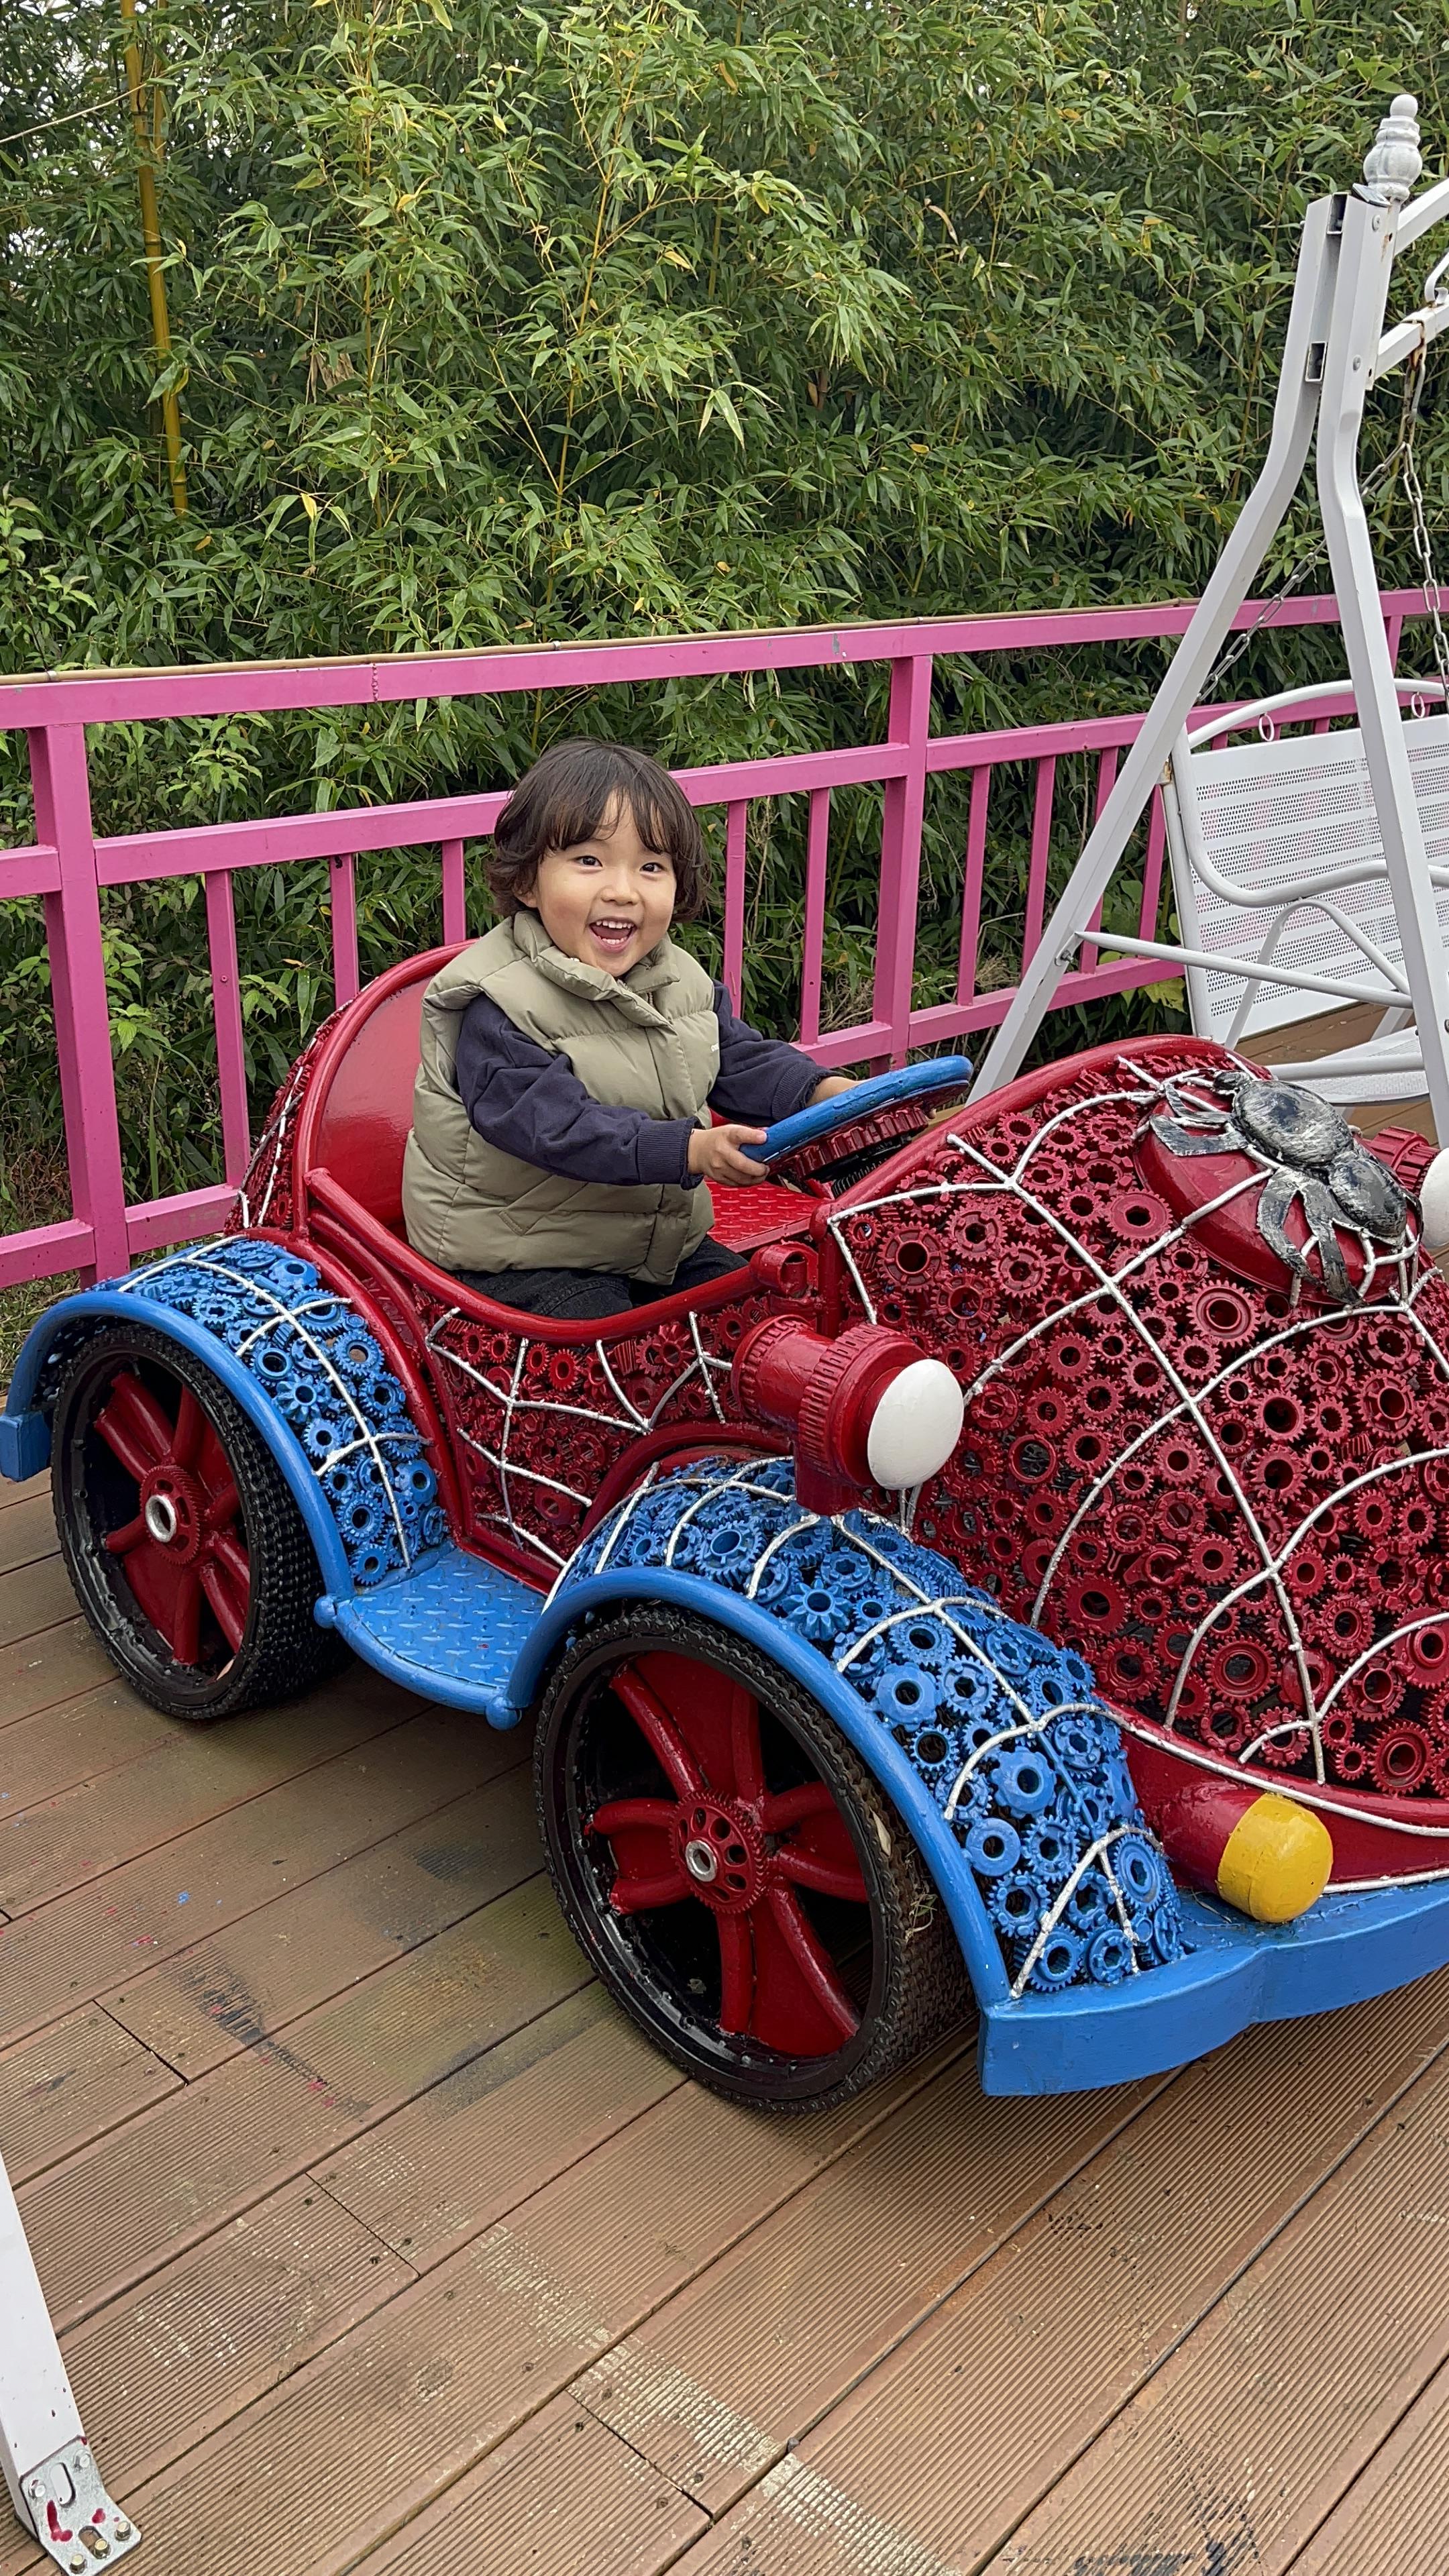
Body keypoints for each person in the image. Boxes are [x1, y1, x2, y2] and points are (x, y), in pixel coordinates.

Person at [401, 738, 855, 1318]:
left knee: (759, 1311)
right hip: (519, 1250)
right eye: (589, 861)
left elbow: (737, 1058)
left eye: (651, 867)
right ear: (528, 881)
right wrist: (689, 1150)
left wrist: (822, 1092)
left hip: (652, 1244)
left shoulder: (678, 980)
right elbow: (558, 1128)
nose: (623, 890)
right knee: (611, 1345)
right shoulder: (499, 1005)